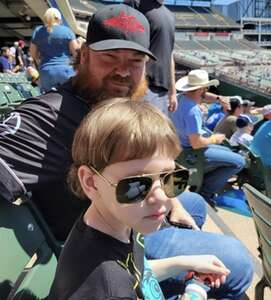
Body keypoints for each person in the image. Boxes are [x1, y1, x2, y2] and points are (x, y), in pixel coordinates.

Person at [0, 4, 252, 299]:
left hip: (125, 220)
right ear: (83, 56)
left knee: (191, 203)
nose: (122, 71)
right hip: (94, 239)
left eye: (135, 60)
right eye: (109, 58)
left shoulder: (115, 105)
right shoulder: (47, 117)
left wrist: (172, 202)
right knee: (237, 261)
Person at [49, 98, 230, 299]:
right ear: (91, 182)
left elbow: (135, 272)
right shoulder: (109, 291)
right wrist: (195, 293)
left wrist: (185, 262)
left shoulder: (116, 221)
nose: (161, 197)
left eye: (170, 177)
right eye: (137, 185)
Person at [171, 69, 246, 205]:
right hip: (190, 153)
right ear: (202, 88)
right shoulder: (193, 111)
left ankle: (204, 182)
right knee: (239, 161)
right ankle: (205, 192)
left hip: (179, 147)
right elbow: (196, 143)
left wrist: (219, 98)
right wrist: (214, 139)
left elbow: (203, 96)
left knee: (227, 152)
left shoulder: (180, 98)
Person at [125, 0, 177, 115]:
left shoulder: (170, 15)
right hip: (142, 86)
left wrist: (173, 91)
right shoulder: (136, 4)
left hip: (162, 91)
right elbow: (127, 43)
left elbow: (170, 54)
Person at [30, 7, 78, 93]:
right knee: (69, 98)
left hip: (46, 71)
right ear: (59, 19)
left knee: (49, 100)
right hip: (65, 70)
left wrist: (39, 60)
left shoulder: (38, 31)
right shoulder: (67, 31)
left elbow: (33, 54)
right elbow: (76, 53)